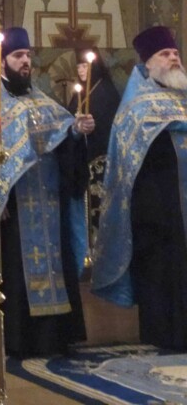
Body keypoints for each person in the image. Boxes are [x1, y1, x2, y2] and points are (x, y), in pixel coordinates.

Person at [0, 27, 95, 357]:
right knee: (17, 270)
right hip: (16, 204)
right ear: (2, 63)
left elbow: (62, 133)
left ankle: (55, 337)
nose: (25, 61)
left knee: (55, 264)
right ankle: (23, 339)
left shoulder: (41, 100)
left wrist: (76, 131)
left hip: (49, 200)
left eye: (28, 55)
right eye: (18, 56)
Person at [92, 26, 187, 349]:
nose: (173, 59)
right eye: (165, 54)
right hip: (157, 208)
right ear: (148, 63)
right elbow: (127, 161)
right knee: (161, 272)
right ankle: (163, 336)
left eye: (176, 53)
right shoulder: (137, 107)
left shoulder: (184, 100)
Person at [65, 49, 121, 163]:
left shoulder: (106, 90)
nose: (80, 71)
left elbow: (110, 123)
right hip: (81, 151)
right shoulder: (80, 91)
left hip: (101, 151)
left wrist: (89, 126)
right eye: (78, 67)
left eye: (84, 66)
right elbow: (69, 117)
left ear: (94, 66)